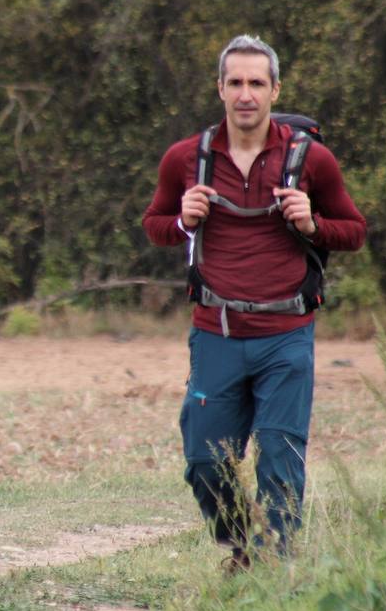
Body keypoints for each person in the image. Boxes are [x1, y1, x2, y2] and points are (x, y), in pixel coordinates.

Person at [142, 35, 365, 570]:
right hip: (215, 332)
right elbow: (155, 227)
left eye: (257, 84)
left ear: (275, 90)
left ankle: (275, 565)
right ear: (220, 89)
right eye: (236, 83)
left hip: (286, 335)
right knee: (203, 459)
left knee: (279, 457)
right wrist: (182, 219)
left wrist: (312, 223)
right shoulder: (185, 159)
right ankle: (243, 542)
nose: (246, 94)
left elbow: (354, 231)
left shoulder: (312, 160)